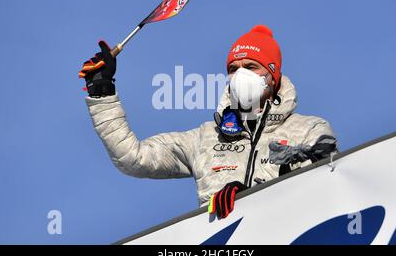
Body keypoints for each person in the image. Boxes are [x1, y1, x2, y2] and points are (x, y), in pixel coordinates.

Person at [79, 25, 338, 219]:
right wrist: (102, 93)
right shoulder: (206, 138)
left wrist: (253, 195)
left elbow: (330, 187)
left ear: (273, 75)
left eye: (251, 66)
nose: (241, 75)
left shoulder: (309, 129)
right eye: (234, 69)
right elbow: (133, 158)